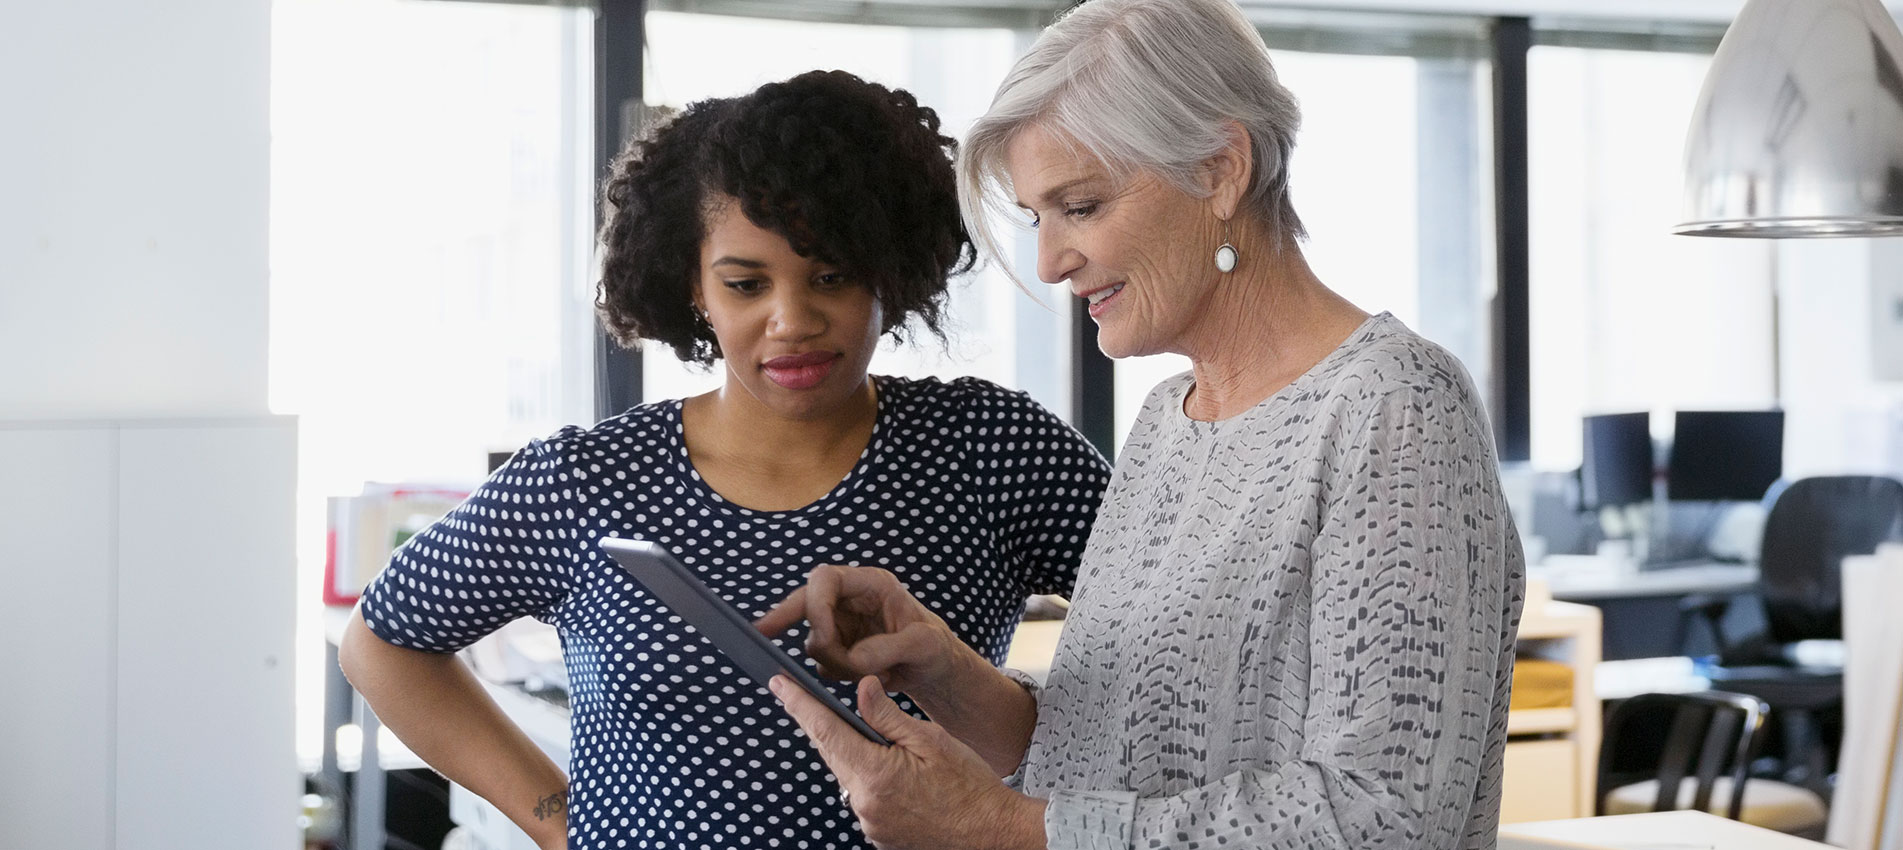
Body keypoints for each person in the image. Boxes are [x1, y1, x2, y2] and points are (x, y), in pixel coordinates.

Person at [756, 3, 1527, 849]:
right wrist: (941, 670)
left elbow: (1386, 816)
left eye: (1079, 206)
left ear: (1220, 169)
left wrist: (1003, 828)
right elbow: (1119, 753)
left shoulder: (1393, 407)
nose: (1050, 262)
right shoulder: (1169, 419)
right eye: (1036, 218)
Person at [337, 69, 1112, 850]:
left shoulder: (989, 448)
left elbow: (1185, 650)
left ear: (889, 269)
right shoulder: (590, 479)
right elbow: (382, 641)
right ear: (693, 286)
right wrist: (558, 820)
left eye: (832, 277)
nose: (791, 321)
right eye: (745, 284)